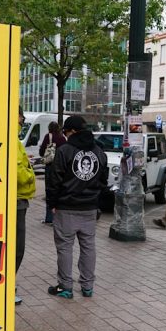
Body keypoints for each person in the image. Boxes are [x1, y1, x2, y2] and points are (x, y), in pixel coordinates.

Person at [46, 115, 107, 299]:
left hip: (66, 207)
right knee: (88, 246)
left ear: (72, 131)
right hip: (89, 208)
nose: (65, 135)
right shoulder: (99, 151)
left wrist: (52, 203)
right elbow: (103, 181)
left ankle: (65, 287)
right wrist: (95, 201)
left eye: (65, 132)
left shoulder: (64, 151)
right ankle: (87, 287)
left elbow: (54, 180)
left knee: (65, 247)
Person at [15, 106, 36, 305]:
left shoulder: (13, 139)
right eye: (22, 117)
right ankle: (7, 286)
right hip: (16, 200)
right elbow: (18, 172)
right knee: (17, 248)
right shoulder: (12, 140)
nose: (23, 120)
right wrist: (30, 175)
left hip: (17, 199)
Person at [38, 121, 67, 224]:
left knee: (49, 191)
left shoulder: (48, 136)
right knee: (60, 190)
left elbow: (42, 152)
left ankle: (49, 218)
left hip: (50, 166)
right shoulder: (63, 138)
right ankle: (59, 217)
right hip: (61, 167)